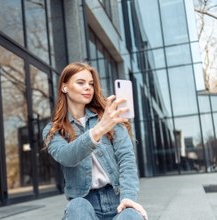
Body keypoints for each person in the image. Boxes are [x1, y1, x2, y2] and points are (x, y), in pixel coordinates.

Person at [42, 62, 148, 220]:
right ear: (64, 87)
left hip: (117, 199)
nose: (88, 87)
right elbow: (66, 157)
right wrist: (99, 129)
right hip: (85, 203)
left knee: (131, 215)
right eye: (81, 82)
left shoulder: (109, 117)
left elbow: (126, 159)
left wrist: (128, 197)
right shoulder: (53, 130)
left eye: (91, 83)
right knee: (77, 206)